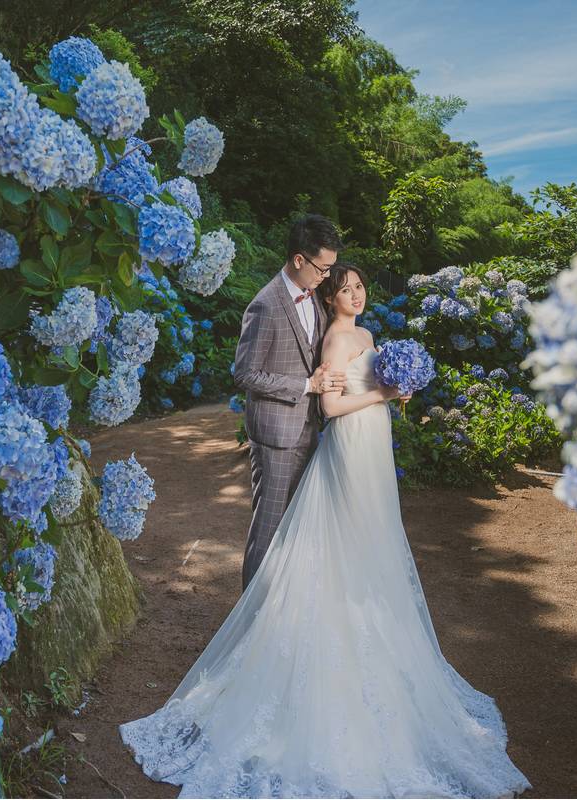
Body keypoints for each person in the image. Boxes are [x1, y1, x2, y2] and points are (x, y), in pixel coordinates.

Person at [118, 263, 531, 799]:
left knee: (374, 539)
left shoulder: (367, 332)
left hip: (373, 444)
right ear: (331, 298)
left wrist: (397, 389)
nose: (355, 295)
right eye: (345, 289)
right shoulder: (336, 340)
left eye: (359, 287)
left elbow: (367, 385)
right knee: (345, 540)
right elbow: (333, 406)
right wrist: (382, 395)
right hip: (350, 444)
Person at [232, 214, 347, 591]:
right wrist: (305, 384)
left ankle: (281, 612)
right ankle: (248, 622)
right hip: (275, 436)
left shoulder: (314, 298)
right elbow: (245, 373)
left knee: (298, 526)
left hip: (309, 430)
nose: (326, 276)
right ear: (299, 260)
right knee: (267, 529)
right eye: (322, 268)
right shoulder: (264, 305)